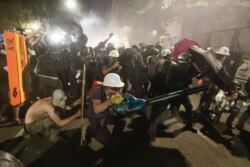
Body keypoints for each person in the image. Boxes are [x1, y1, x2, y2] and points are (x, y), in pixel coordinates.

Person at [87, 73, 126, 148]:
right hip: (95, 118)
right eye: (115, 89)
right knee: (108, 142)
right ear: (108, 87)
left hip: (105, 115)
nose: (117, 91)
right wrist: (110, 101)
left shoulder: (112, 92)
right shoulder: (98, 91)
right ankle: (91, 130)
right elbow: (97, 110)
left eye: (118, 89)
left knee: (121, 122)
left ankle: (114, 140)